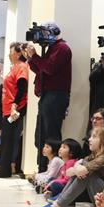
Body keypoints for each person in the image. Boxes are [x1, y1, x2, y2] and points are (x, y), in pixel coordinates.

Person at [34, 127, 104, 207]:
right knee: (82, 170)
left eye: (94, 137)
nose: (89, 139)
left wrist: (78, 168)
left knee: (87, 173)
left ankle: (58, 205)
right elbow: (68, 173)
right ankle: (58, 203)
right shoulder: (94, 156)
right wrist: (77, 169)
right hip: (102, 200)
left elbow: (80, 170)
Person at [25, 22, 72, 172]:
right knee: (40, 135)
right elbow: (41, 70)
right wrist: (30, 58)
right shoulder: (52, 48)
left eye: (44, 32)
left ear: (54, 32)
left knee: (51, 135)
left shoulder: (62, 48)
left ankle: (52, 171)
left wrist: (35, 56)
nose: (41, 36)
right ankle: (42, 168)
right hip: (47, 95)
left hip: (56, 95)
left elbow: (50, 68)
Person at [0, 43, 29, 178]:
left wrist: (15, 105)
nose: (9, 55)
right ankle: (4, 169)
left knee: (8, 140)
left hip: (14, 109)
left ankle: (4, 170)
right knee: (6, 139)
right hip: (8, 109)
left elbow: (22, 87)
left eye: (11, 52)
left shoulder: (22, 67)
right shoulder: (15, 68)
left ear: (18, 54)